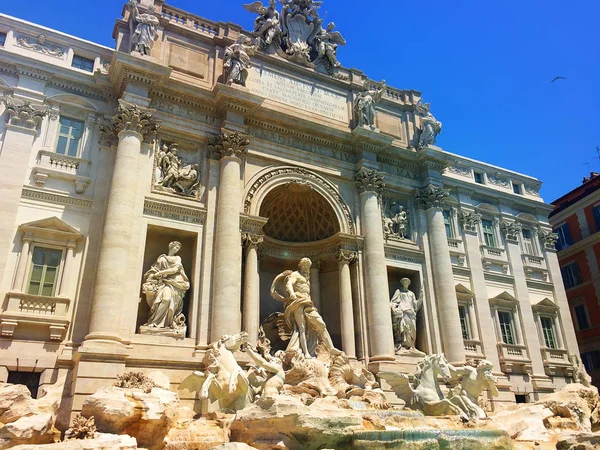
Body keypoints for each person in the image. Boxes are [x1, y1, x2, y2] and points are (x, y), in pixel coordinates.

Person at [270, 257, 341, 358]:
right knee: (301, 328)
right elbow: (289, 284)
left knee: (321, 324)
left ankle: (331, 347)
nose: (306, 268)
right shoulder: (295, 274)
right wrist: (292, 293)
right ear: (300, 266)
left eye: (308, 266)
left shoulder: (307, 279)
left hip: (307, 303)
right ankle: (306, 352)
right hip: (297, 301)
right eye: (305, 266)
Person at [142, 241, 190, 329]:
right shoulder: (161, 258)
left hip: (175, 283)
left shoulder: (177, 258)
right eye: (176, 247)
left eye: (178, 248)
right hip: (162, 282)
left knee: (167, 299)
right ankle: (155, 322)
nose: (177, 249)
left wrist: (160, 272)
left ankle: (166, 323)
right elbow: (154, 270)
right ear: (170, 246)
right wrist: (153, 276)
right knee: (164, 299)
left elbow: (175, 269)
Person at [390, 278, 423, 352]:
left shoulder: (411, 293)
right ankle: (403, 345)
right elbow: (394, 301)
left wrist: (421, 297)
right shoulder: (399, 291)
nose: (406, 284)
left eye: (407, 282)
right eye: (404, 282)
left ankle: (411, 346)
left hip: (411, 313)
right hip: (403, 312)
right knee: (404, 328)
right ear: (402, 283)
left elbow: (416, 305)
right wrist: (394, 308)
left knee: (412, 330)